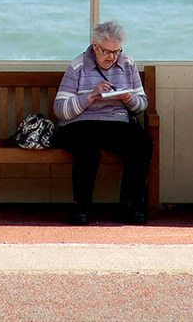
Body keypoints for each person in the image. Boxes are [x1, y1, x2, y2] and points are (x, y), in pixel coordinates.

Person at [51, 20, 151, 225]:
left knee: (141, 143)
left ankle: (130, 206)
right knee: (87, 149)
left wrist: (128, 99)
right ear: (95, 46)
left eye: (116, 52)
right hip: (81, 123)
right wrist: (91, 95)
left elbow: (141, 105)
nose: (112, 57)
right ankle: (82, 207)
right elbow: (60, 109)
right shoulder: (78, 65)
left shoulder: (128, 64)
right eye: (107, 52)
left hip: (116, 122)